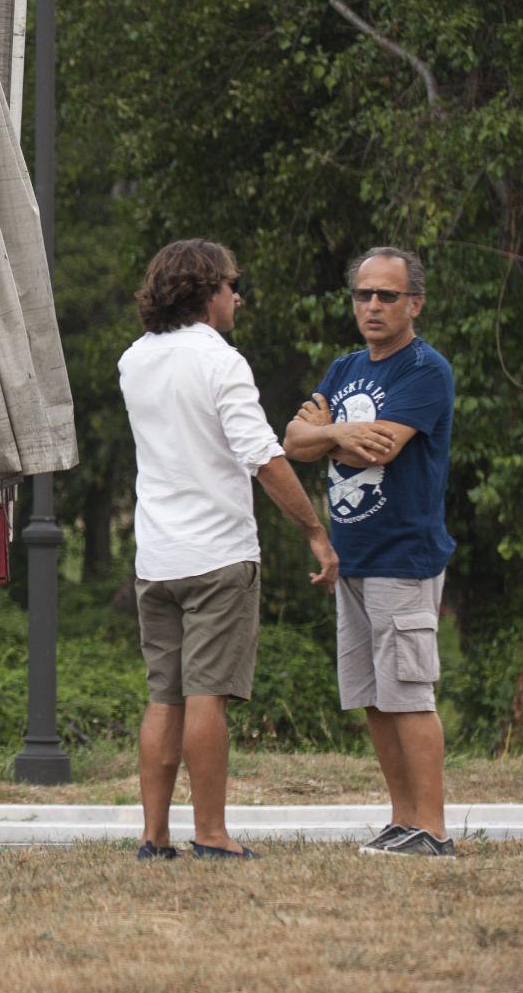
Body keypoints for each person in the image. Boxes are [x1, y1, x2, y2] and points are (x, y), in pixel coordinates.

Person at [119, 239, 337, 861]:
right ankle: (212, 834)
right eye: (231, 285)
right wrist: (315, 533)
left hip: (155, 557)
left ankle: (153, 837)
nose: (237, 296)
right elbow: (264, 458)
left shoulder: (134, 360)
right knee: (206, 696)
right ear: (205, 292)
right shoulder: (221, 361)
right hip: (216, 556)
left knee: (165, 696)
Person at [282, 245, 457, 857]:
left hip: (402, 557)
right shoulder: (345, 366)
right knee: (373, 697)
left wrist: (325, 436)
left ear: (415, 303)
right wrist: (336, 435)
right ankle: (402, 819)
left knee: (408, 693)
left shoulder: (424, 371)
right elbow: (292, 440)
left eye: (386, 295)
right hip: (352, 555)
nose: (373, 305)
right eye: (363, 295)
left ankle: (432, 831)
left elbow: (380, 450)